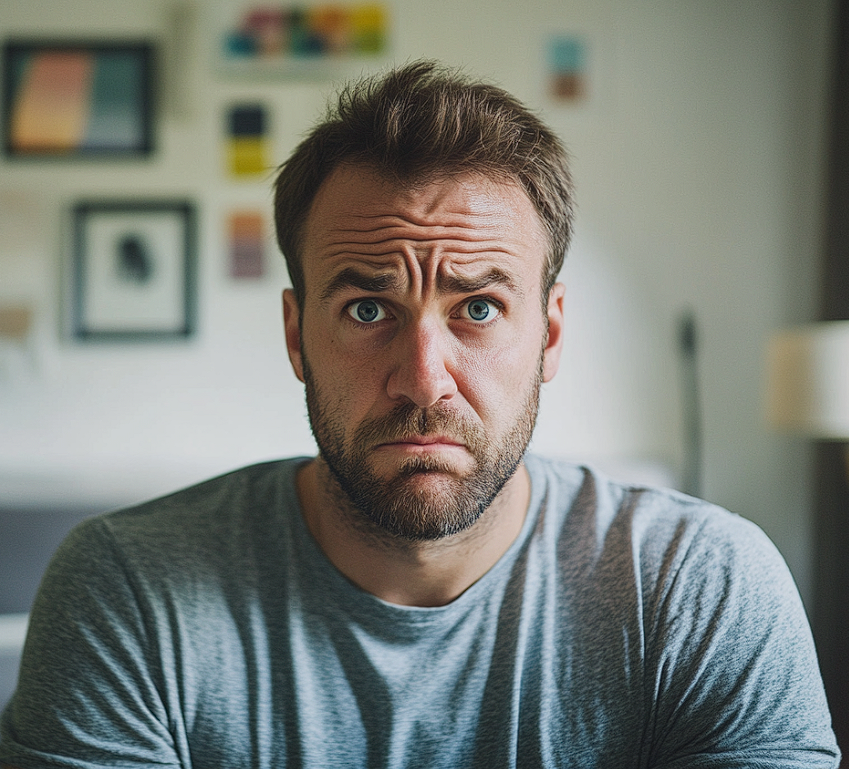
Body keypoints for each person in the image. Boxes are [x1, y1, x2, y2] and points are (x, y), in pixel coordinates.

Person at [0, 61, 839, 768]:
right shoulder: (126, 595)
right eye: (369, 310)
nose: (422, 380)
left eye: (476, 309)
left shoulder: (700, 590)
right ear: (297, 336)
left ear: (547, 336)